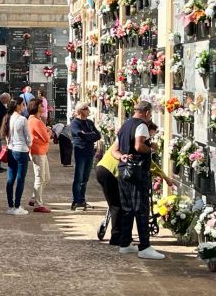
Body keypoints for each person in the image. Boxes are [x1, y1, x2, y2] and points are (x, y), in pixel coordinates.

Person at [96, 121, 175, 246]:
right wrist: (165, 177)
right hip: (109, 172)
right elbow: (151, 165)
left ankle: (120, 235)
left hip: (103, 169)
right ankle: (117, 237)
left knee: (117, 204)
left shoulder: (129, 137)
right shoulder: (135, 142)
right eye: (150, 135)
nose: (150, 138)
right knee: (117, 206)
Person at [111, 101, 165, 260]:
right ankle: (144, 247)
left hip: (124, 170)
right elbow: (139, 146)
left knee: (127, 208)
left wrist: (122, 156)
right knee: (141, 209)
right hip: (137, 171)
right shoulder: (141, 125)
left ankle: (125, 244)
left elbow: (115, 150)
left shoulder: (125, 125)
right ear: (147, 112)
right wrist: (152, 147)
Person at [0, 97, 32, 215]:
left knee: (10, 179)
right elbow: (28, 137)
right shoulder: (23, 119)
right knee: (20, 179)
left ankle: (10, 206)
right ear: (18, 106)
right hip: (21, 150)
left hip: (10, 149)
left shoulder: (7, 118)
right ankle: (17, 206)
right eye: (23, 104)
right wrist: (29, 145)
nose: (24, 107)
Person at [70, 102, 101, 210]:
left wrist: (88, 136)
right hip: (80, 152)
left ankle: (82, 200)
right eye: (86, 109)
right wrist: (89, 136)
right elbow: (80, 135)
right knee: (78, 177)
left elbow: (98, 135)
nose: (88, 111)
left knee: (85, 178)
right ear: (80, 111)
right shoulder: (75, 123)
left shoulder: (89, 122)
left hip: (89, 152)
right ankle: (75, 201)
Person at [27, 98, 52, 213]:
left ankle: (34, 197)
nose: (44, 108)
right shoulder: (35, 121)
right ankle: (38, 204)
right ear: (37, 107)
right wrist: (49, 131)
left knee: (46, 177)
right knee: (40, 177)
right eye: (41, 106)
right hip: (38, 151)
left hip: (41, 150)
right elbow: (46, 138)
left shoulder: (36, 119)